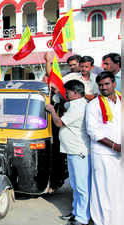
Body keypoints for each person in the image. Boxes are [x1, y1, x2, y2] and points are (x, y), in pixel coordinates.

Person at [46, 80, 91, 225]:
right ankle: (76, 212)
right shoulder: (76, 103)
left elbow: (59, 123)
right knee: (75, 185)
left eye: (68, 92)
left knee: (81, 186)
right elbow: (65, 103)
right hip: (72, 150)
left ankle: (82, 218)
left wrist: (52, 110)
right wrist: (57, 92)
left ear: (75, 93)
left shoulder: (78, 107)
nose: (66, 94)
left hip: (78, 151)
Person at [86, 71, 123, 225]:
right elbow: (92, 131)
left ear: (114, 84)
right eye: (100, 85)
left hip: (119, 154)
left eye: (107, 84)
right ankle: (102, 221)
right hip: (103, 153)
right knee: (103, 189)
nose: (103, 87)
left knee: (118, 189)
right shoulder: (94, 105)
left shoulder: (120, 100)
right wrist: (115, 146)